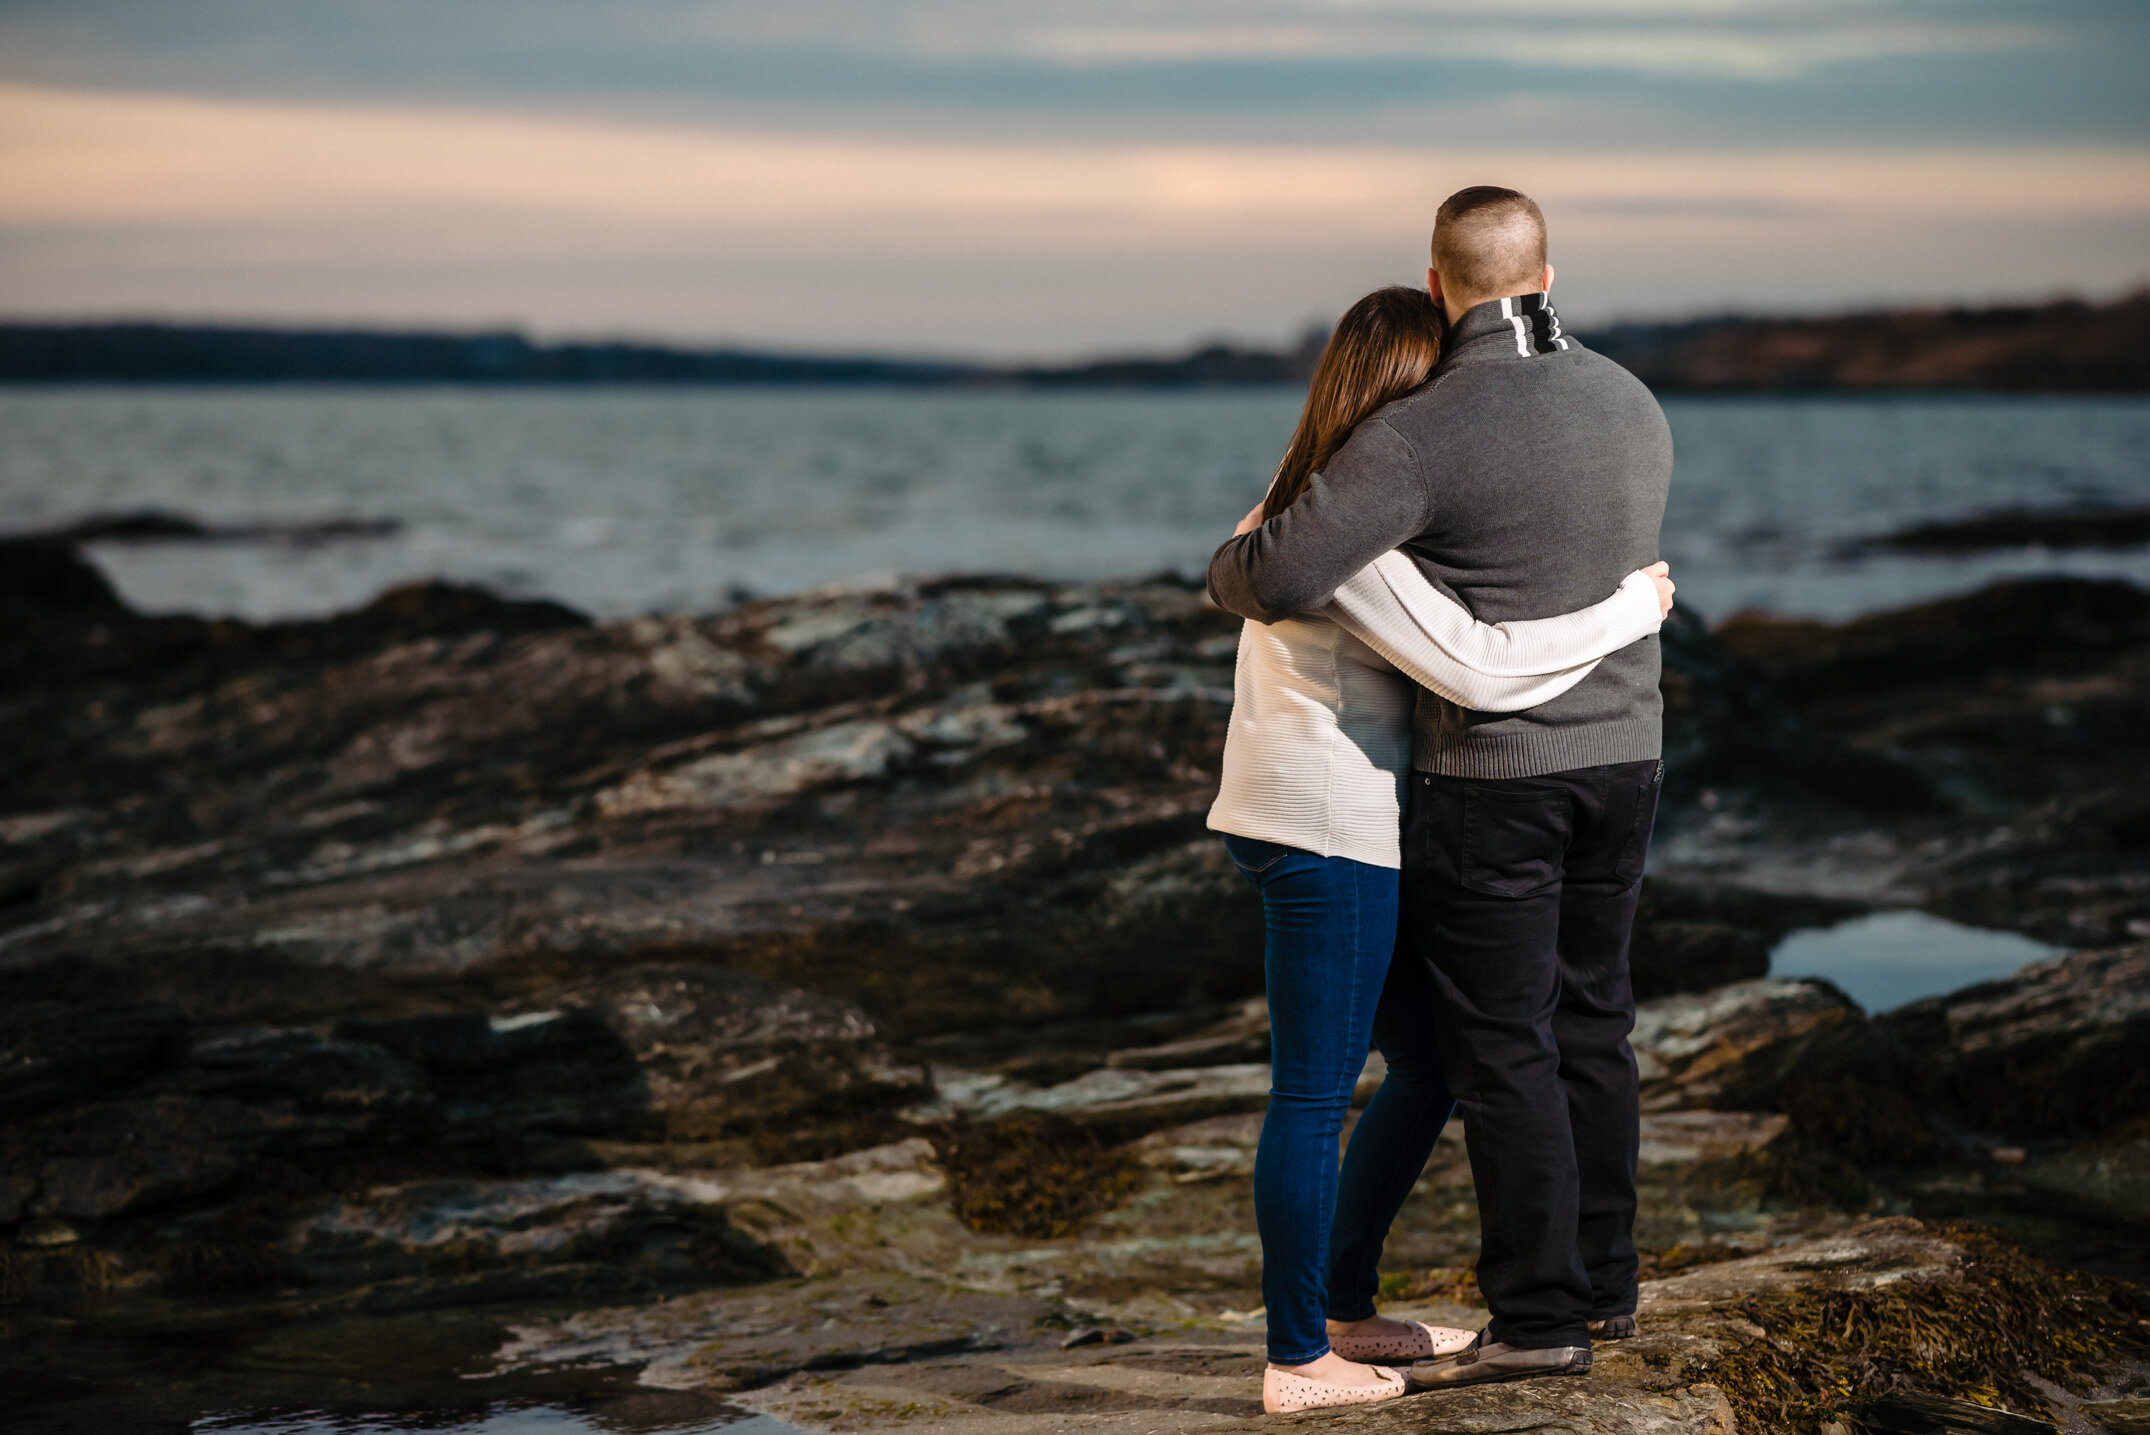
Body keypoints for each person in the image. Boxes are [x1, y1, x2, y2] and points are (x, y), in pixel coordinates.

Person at [1210, 187, 1675, 1393]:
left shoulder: (1413, 445)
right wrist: (1633, 608)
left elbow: (1269, 574)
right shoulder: (1632, 401)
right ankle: (1592, 1282)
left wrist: (1234, 559)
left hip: (1491, 778)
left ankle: (1530, 1314)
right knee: (1589, 1026)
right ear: (1547, 273)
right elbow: (1494, 624)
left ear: (1437, 284)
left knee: (1491, 1047)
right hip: (1618, 760)